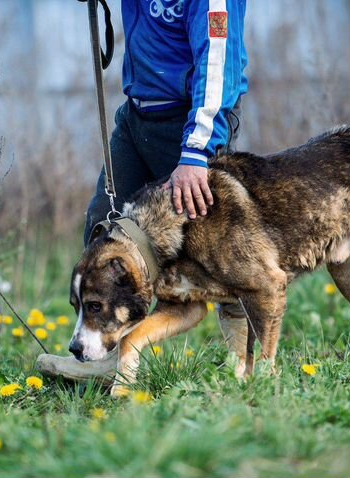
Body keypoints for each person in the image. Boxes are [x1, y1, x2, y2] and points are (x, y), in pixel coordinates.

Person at [82, 0, 250, 369]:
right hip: (137, 114)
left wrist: (196, 152)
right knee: (102, 225)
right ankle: (102, 349)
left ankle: (245, 363)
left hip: (189, 123)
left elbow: (216, 63)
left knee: (220, 253)